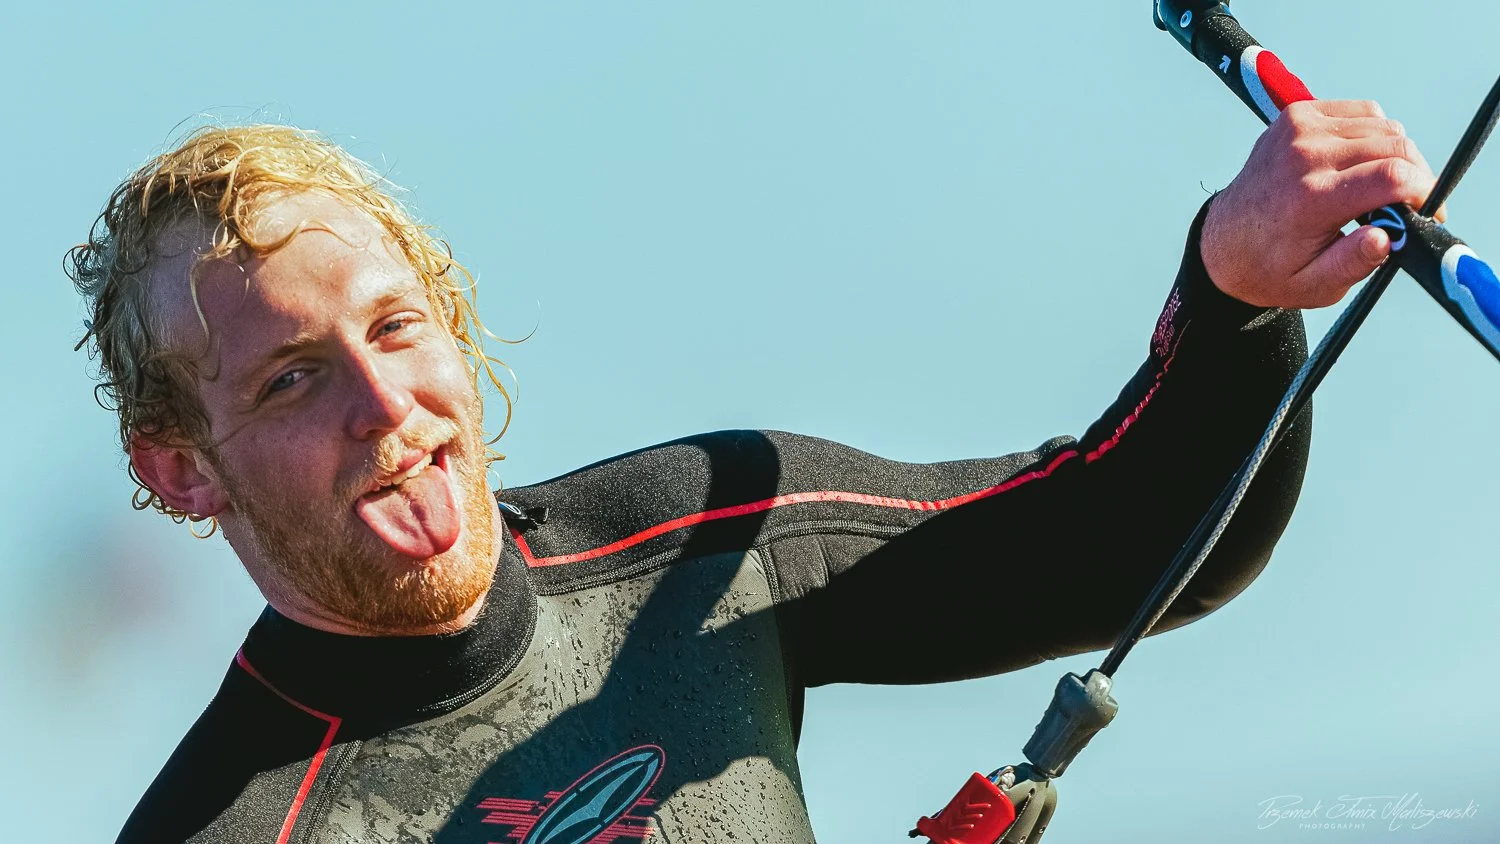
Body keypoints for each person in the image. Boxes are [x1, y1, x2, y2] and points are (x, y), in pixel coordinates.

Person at [71, 99, 1442, 843]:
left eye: (396, 328)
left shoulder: (695, 545)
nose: (385, 404)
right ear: (181, 469)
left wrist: (1234, 290)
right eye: (291, 379)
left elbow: (1127, 537)